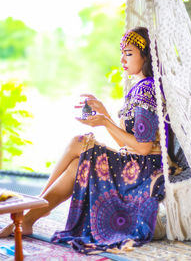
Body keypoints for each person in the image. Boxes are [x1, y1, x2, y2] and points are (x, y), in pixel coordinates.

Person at [0, 27, 166, 254]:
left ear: (146, 56)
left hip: (145, 171)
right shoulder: (138, 88)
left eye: (128, 53)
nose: (122, 59)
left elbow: (144, 148)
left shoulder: (147, 90)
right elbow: (128, 144)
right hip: (135, 163)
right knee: (78, 164)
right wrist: (105, 114)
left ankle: (37, 204)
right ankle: (30, 218)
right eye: (121, 52)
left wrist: (105, 122)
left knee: (80, 142)